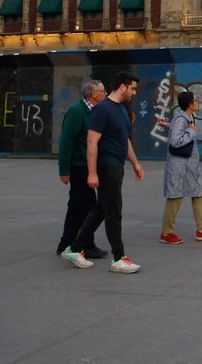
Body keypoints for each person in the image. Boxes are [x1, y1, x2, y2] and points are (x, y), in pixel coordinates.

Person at [61, 72, 145, 273]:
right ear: (122, 87)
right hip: (107, 167)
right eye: (132, 88)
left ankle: (74, 248)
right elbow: (92, 141)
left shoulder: (122, 110)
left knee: (101, 209)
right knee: (114, 211)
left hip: (117, 166)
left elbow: (124, 140)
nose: (134, 93)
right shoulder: (102, 109)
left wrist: (135, 163)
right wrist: (92, 173)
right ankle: (119, 257)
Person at [55, 79, 107, 259]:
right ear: (94, 95)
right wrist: (64, 169)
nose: (105, 94)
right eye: (103, 91)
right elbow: (67, 142)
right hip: (79, 167)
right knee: (89, 207)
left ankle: (65, 243)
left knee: (76, 207)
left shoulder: (95, 111)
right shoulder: (77, 112)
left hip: (87, 165)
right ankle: (87, 244)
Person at [160, 91, 202, 244]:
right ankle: (166, 233)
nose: (198, 101)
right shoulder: (182, 119)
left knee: (198, 192)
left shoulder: (184, 117)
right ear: (190, 104)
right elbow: (175, 141)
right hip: (179, 165)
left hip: (189, 165)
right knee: (175, 197)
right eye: (195, 100)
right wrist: (191, 132)